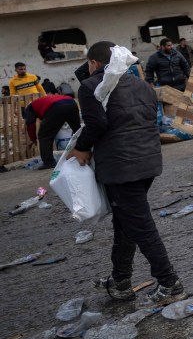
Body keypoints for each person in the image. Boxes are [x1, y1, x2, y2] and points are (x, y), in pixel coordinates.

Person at [71, 41, 185, 306]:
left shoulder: (90, 88)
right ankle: (121, 280)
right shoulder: (142, 85)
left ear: (94, 64)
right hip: (147, 163)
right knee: (125, 222)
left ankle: (170, 283)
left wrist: (81, 147)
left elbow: (97, 122)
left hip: (122, 167)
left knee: (141, 226)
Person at [24, 94, 81, 169]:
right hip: (71, 102)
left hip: (56, 106)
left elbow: (30, 123)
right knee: (77, 130)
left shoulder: (29, 109)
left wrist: (32, 138)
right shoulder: (40, 102)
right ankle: (86, 150)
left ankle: (49, 162)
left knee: (44, 136)